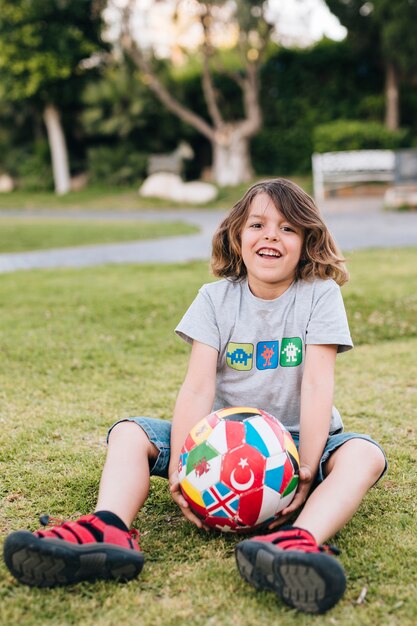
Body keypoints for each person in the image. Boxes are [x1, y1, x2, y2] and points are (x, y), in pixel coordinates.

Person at [3, 178, 387, 614]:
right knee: (129, 433)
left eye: (287, 229)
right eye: (258, 225)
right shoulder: (215, 299)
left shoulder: (320, 294)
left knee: (364, 456)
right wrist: (184, 472)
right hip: (218, 448)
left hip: (297, 444)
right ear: (237, 235)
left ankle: (296, 544)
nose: (270, 237)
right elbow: (198, 386)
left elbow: (317, 384)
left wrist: (307, 468)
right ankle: (108, 528)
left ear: (307, 240)